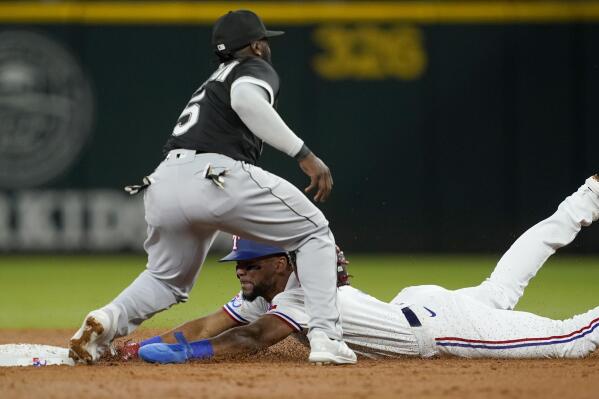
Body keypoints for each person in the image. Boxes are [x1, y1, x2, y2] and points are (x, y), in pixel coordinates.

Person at [69, 9, 355, 365]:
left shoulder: (212, 81)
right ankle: (327, 337)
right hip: (215, 176)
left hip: (164, 181)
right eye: (263, 40)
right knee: (313, 232)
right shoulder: (253, 67)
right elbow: (246, 101)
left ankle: (107, 319)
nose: (266, 46)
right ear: (254, 45)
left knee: (165, 280)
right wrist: (303, 153)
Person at [135, 175, 599, 363]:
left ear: (280, 262)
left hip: (446, 328)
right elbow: (210, 324)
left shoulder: (302, 296)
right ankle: (588, 199)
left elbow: (250, 340)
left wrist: (187, 356)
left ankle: (587, 198)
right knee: (499, 288)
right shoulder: (277, 289)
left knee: (571, 341)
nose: (240, 272)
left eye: (248, 263)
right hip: (419, 308)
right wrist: (144, 346)